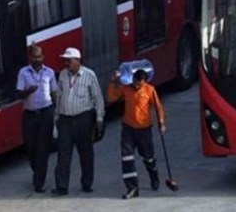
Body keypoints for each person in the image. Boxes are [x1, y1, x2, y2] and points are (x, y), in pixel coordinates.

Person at [106, 68, 166, 200]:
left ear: (144, 82)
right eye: (135, 82)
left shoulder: (150, 90)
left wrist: (161, 123)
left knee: (148, 157)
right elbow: (110, 97)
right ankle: (132, 188)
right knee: (127, 158)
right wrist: (112, 81)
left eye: (140, 84)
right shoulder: (125, 89)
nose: (137, 86)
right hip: (128, 129)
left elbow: (158, 107)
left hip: (144, 130)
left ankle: (154, 175)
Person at [52, 47, 105, 196]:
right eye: (65, 60)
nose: (66, 63)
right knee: (63, 154)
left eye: (69, 60)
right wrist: (56, 117)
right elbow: (59, 97)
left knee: (86, 154)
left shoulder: (89, 75)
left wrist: (99, 118)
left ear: (77, 61)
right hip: (65, 120)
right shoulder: (63, 75)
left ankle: (87, 183)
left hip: (83, 119)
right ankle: (61, 186)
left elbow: (98, 98)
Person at [16, 44, 58, 193]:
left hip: (46, 113)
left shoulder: (50, 73)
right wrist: (28, 91)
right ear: (30, 57)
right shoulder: (23, 73)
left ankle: (39, 182)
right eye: (34, 57)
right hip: (29, 115)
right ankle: (37, 171)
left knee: (42, 148)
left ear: (43, 57)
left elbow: (54, 93)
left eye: (39, 56)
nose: (37, 59)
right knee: (31, 148)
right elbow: (18, 94)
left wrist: (57, 112)